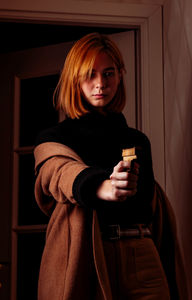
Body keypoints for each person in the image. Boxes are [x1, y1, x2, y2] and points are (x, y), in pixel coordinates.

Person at [34, 33, 188, 300]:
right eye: (89, 75)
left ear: (120, 75)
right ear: (74, 79)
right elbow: (56, 172)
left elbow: (150, 207)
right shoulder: (54, 139)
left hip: (142, 254)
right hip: (88, 257)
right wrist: (102, 186)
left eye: (108, 73)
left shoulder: (137, 140)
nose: (100, 84)